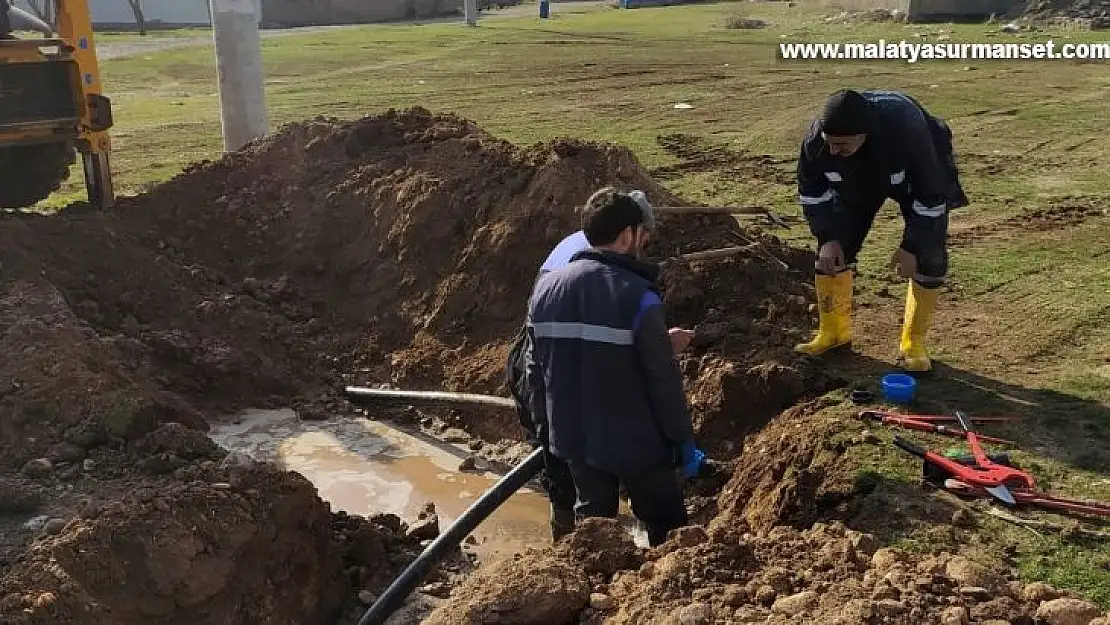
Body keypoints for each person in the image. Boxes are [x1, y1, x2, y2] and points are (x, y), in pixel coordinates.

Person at [505, 190, 694, 541]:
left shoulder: (545, 289)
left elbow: (535, 368)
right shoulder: (638, 294)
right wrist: (681, 440)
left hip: (574, 438)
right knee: (667, 528)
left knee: (593, 528)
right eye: (642, 235)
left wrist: (549, 431)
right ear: (627, 235)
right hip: (637, 440)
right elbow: (661, 377)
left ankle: (592, 586)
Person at [794, 89, 969, 373]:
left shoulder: (909, 134)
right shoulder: (818, 142)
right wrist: (828, 238)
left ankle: (913, 342)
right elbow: (812, 194)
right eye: (829, 144)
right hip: (857, 182)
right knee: (833, 255)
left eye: (841, 145)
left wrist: (912, 246)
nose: (832, 151)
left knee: (930, 257)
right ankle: (833, 333)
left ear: (863, 135)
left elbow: (932, 197)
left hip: (912, 177)